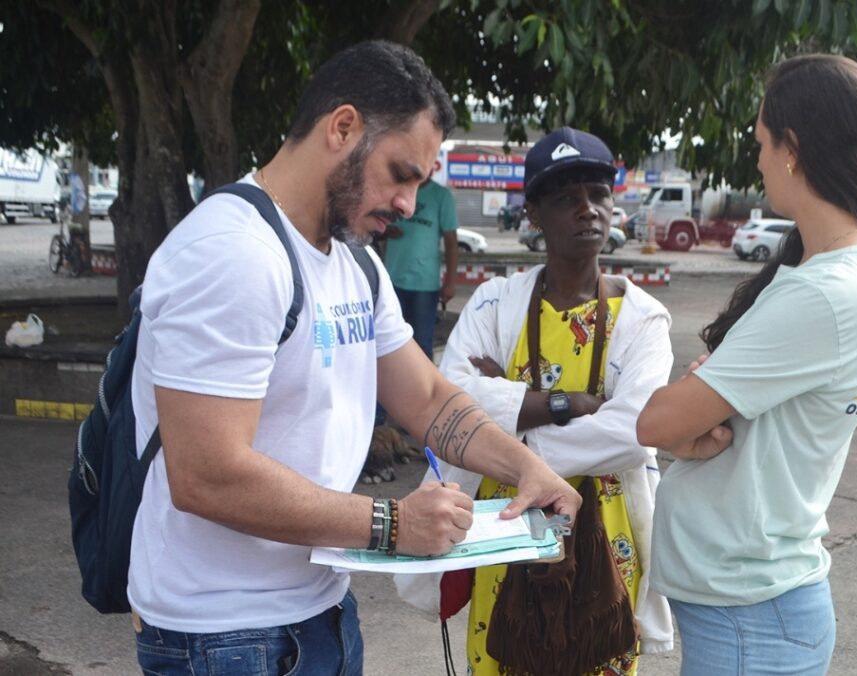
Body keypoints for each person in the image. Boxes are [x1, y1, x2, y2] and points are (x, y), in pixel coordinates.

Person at [127, 40, 581, 676]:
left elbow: (426, 399)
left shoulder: (355, 262)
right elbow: (207, 474)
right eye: (401, 173)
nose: (409, 205)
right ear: (342, 127)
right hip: (224, 635)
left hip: (321, 611)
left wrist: (527, 467)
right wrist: (393, 523)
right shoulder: (232, 253)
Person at [637, 54, 857, 675]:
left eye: (760, 142)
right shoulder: (835, 266)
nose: (756, 159)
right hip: (751, 610)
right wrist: (701, 406)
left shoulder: (821, 293)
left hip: (751, 618)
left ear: (793, 150)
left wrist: (695, 396)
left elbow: (657, 423)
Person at [396, 127, 675, 675]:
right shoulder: (495, 303)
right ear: (533, 215)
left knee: (598, 651)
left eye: (598, 194)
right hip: (505, 529)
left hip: (605, 535)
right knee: (505, 651)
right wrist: (569, 403)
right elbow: (449, 401)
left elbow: (634, 432)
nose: (587, 209)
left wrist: (503, 419)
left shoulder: (642, 319)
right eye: (566, 198)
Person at [380, 165, 459, 358]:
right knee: (388, 344)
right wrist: (386, 231)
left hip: (425, 285)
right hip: (392, 280)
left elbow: (451, 241)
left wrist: (450, 282)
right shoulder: (395, 190)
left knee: (422, 344)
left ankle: (423, 380)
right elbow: (378, 224)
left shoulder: (441, 196)